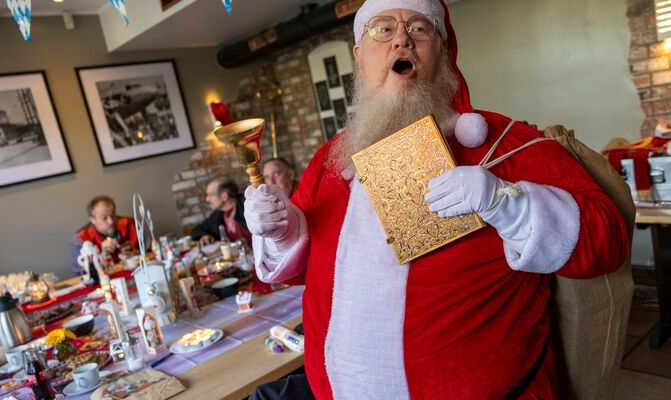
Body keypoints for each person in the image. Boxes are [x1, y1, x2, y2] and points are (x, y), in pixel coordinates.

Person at [244, 0, 628, 398]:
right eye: (383, 29)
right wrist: (279, 230)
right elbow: (301, 272)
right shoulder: (330, 161)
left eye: (420, 29)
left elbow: (607, 242)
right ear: (359, 56)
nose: (402, 40)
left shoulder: (503, 143)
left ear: (443, 52)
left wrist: (507, 203)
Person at [71, 196, 138, 275]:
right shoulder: (80, 238)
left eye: (113, 215)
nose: (111, 222)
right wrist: (102, 256)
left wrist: (135, 254)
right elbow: (80, 273)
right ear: (93, 220)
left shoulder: (129, 225)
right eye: (104, 218)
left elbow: (150, 253)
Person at [191, 177, 252, 246]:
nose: (207, 199)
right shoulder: (218, 214)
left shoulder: (248, 205)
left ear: (224, 196)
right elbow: (197, 230)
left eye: (210, 195)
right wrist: (204, 235)